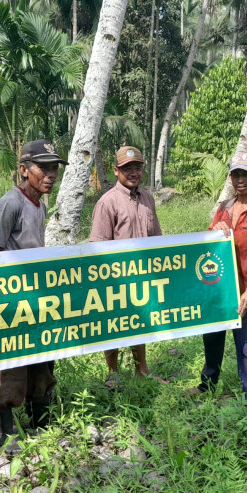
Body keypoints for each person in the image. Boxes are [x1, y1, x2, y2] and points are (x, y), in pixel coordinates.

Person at [0, 139, 66, 451]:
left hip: (36, 298)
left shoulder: (39, 205)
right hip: (11, 299)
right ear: (23, 169)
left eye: (54, 168)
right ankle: (5, 430)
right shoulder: (11, 203)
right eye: (43, 168)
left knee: (42, 358)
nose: (51, 174)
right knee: (12, 364)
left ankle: (40, 420)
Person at [184, 152, 247, 400]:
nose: (240, 180)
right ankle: (207, 385)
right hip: (217, 288)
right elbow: (208, 245)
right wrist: (214, 228)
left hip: (244, 290)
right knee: (212, 338)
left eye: (246, 174)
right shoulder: (223, 208)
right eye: (236, 174)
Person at [89, 146, 166, 388]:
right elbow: (98, 247)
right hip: (115, 278)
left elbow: (156, 237)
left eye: (137, 167)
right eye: (127, 168)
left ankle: (141, 369)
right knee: (113, 323)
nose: (133, 172)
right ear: (116, 171)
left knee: (139, 320)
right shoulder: (107, 202)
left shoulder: (148, 198)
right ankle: (113, 373)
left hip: (143, 274)